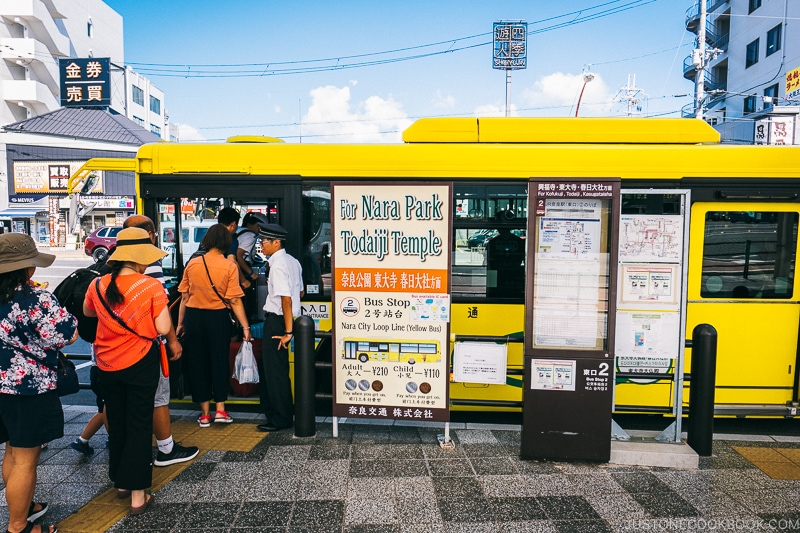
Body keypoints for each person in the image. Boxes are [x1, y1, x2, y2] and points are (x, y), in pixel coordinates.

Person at [83, 227, 172, 515]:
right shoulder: (150, 286)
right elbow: (162, 328)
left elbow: (87, 312)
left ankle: (121, 482)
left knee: (117, 421)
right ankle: (137, 495)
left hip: (106, 363)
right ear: (139, 258)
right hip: (140, 362)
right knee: (138, 424)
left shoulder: (97, 285)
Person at [0, 233, 75, 533]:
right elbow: (67, 333)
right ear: (27, 267)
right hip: (28, 388)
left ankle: (25, 507)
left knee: (11, 451)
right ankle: (18, 526)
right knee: (24, 459)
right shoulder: (36, 299)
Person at [122, 215, 199, 466]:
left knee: (114, 402)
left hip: (108, 356)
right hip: (144, 349)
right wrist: (173, 340)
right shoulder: (149, 271)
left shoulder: (102, 278)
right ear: (150, 236)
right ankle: (166, 449)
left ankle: (119, 445)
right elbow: (162, 319)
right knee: (158, 398)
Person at [176, 224, 252, 427]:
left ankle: (204, 414)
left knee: (197, 363)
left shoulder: (193, 263)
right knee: (219, 362)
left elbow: (184, 297)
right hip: (217, 319)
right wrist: (245, 327)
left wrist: (180, 323)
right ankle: (220, 410)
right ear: (226, 243)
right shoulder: (229, 266)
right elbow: (235, 301)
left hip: (194, 318)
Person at [256, 223, 303, 432]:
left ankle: (280, 418)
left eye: (264, 241)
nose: (261, 245)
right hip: (285, 320)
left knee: (274, 372)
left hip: (278, 322)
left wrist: (287, 332)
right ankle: (281, 414)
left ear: (276, 243)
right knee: (278, 370)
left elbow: (286, 299)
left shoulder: (277, 265)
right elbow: (299, 293)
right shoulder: (292, 261)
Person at [485, 212, 525, 298]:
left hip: (498, 282)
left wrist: (490, 288)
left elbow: (489, 266)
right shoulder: (520, 242)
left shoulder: (492, 243)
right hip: (515, 281)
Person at [235, 212, 267, 319]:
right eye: (259, 226)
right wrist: (250, 273)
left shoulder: (240, 231)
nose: (259, 229)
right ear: (251, 224)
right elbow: (239, 255)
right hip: (241, 271)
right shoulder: (250, 236)